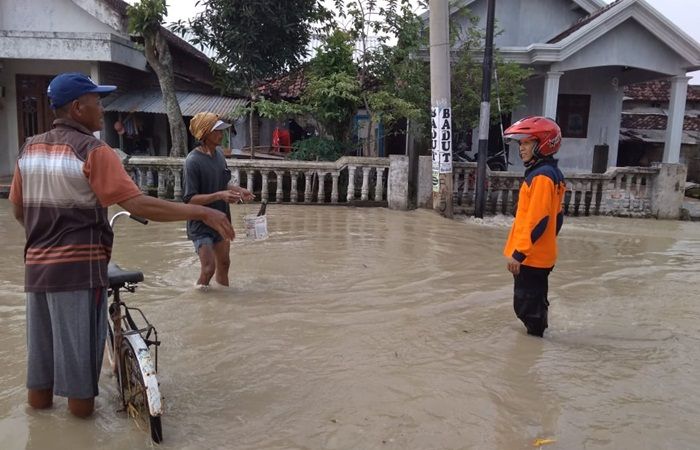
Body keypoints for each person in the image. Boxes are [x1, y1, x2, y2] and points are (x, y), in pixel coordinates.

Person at [8, 72, 235, 419]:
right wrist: (201, 211)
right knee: (81, 384)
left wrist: (46, 239)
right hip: (78, 274)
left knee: (40, 372)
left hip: (37, 268)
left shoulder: (29, 149)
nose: (102, 109)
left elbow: (19, 210)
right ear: (77, 107)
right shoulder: (92, 150)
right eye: (97, 101)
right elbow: (139, 205)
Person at [502, 116, 566, 337]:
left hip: (531, 257)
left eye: (527, 143)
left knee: (527, 308)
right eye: (521, 144)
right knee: (535, 304)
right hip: (541, 255)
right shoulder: (552, 174)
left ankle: (534, 350)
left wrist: (519, 254)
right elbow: (558, 218)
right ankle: (537, 345)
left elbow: (539, 220)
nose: (522, 149)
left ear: (543, 144)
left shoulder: (541, 177)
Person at [184, 112, 254, 288]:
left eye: (221, 131)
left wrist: (239, 191)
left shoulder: (219, 156)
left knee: (224, 264)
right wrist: (219, 195)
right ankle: (198, 300)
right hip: (201, 223)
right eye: (217, 131)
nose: (221, 135)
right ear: (204, 134)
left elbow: (223, 183)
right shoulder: (192, 161)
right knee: (208, 269)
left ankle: (223, 303)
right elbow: (190, 199)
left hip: (221, 219)